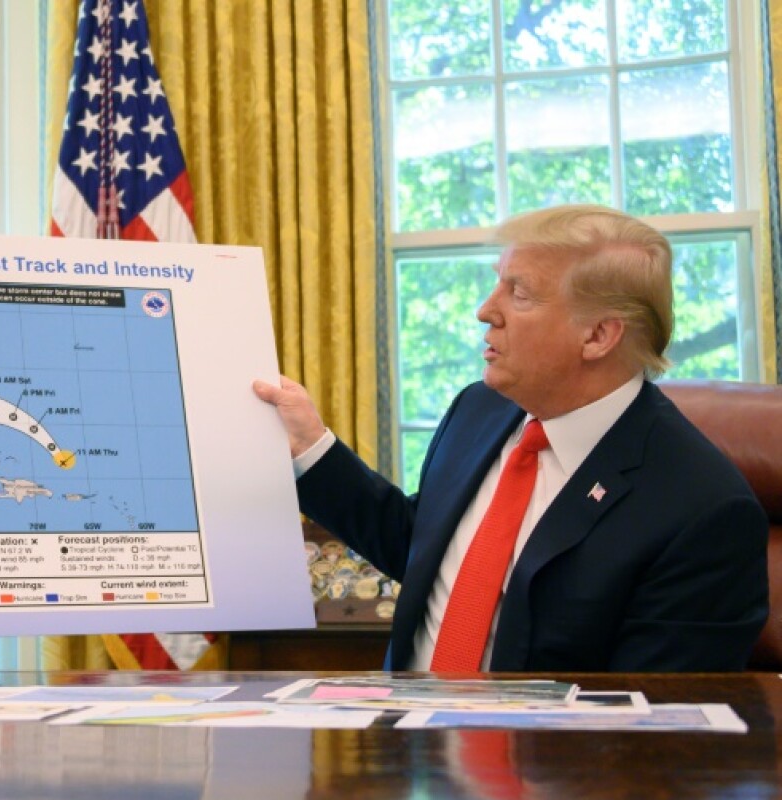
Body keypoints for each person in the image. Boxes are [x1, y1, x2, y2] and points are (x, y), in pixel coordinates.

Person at [255, 204, 769, 673]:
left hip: (542, 767)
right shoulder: (479, 409)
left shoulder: (704, 509)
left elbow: (648, 731)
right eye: (497, 283)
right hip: (405, 747)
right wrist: (310, 447)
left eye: (518, 293)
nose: (485, 309)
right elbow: (425, 548)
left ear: (597, 336)